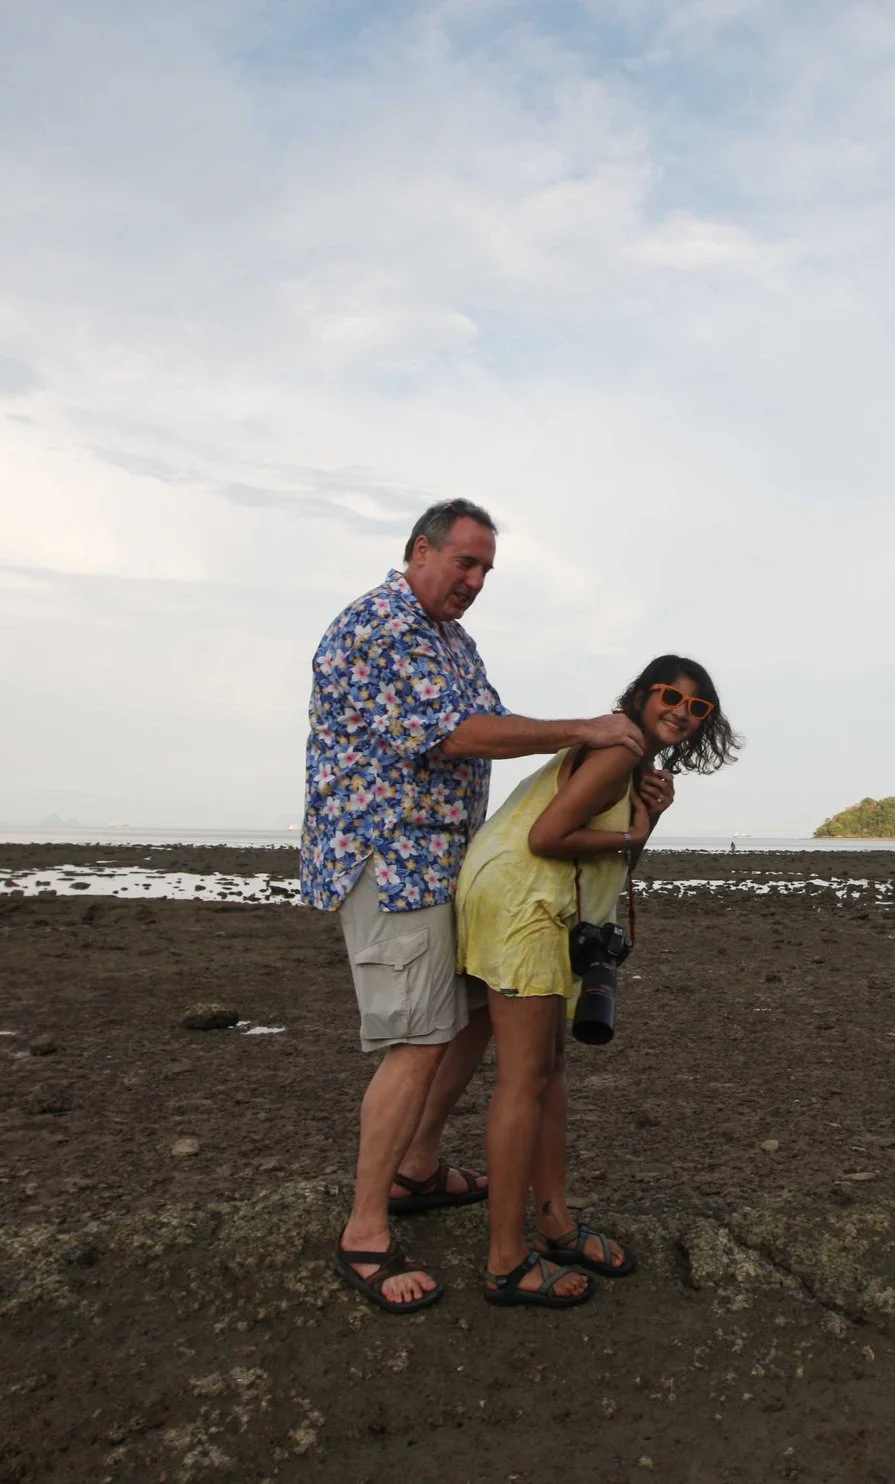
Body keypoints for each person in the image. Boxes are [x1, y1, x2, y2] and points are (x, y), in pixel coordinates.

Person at [302, 498, 648, 1314]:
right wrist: (587, 731)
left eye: (487, 569)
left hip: (444, 863)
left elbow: (492, 720)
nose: (475, 581)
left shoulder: (452, 641)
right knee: (416, 1041)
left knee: (473, 1017)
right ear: (419, 551)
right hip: (390, 861)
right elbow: (456, 734)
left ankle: (418, 1169)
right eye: (465, 562)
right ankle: (364, 1231)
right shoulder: (382, 626)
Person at [455, 655, 740, 1306]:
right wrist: (635, 832)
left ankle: (554, 1221)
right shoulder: (619, 749)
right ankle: (505, 1260)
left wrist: (648, 822)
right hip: (523, 903)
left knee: (550, 1071)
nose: (682, 713)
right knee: (523, 1081)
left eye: (698, 708)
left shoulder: (632, 759)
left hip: (536, 902)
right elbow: (548, 837)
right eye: (671, 696)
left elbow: (613, 855)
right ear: (642, 694)